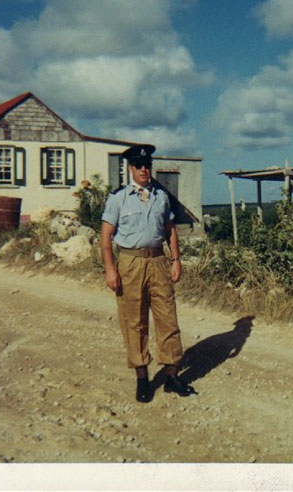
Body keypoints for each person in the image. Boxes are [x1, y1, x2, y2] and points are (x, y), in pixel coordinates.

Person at [100, 144, 195, 402]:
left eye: (147, 165)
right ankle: (142, 379)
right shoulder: (118, 198)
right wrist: (110, 269)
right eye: (139, 166)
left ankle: (172, 376)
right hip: (130, 264)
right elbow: (106, 238)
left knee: (168, 318)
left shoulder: (161, 196)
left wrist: (176, 259)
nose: (144, 170)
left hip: (158, 262)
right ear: (130, 168)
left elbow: (170, 229)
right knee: (134, 321)